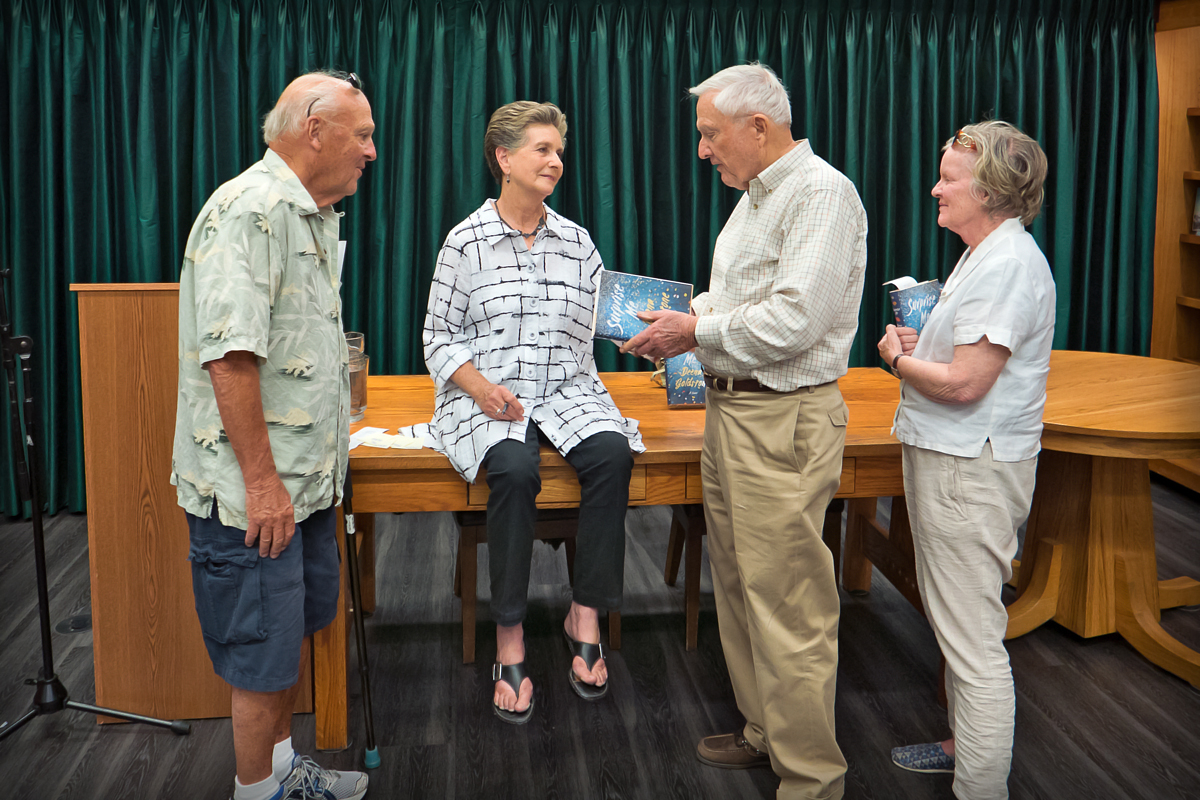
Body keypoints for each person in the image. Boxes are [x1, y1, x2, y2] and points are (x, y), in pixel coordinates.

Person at [621, 63, 867, 800]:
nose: (703, 149)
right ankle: (766, 732)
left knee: (788, 602)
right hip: (734, 411)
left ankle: (812, 780)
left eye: (710, 133)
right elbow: (742, 300)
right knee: (738, 583)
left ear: (759, 127)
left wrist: (693, 329)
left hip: (781, 417)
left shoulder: (821, 193)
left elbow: (796, 319)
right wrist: (680, 321)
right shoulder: (759, 197)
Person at [171, 71, 376, 800]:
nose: (371, 151)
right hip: (256, 494)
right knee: (261, 655)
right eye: (362, 135)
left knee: (286, 641)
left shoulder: (309, 215)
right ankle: (256, 792)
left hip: (303, 484)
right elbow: (230, 358)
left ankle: (286, 775)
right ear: (313, 131)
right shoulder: (249, 211)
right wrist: (262, 484)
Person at [423, 101, 644, 725]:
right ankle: (511, 635)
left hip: (567, 389)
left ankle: (586, 613)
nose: (557, 160)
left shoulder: (578, 243)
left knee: (611, 453)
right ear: (504, 159)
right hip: (488, 393)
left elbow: (609, 324)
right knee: (515, 470)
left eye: (559, 150)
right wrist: (479, 387)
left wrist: (643, 334)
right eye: (543, 149)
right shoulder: (464, 242)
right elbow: (437, 338)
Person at [877, 121, 1054, 800]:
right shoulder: (987, 254)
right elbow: (965, 363)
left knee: (973, 642)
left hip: (968, 472)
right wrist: (926, 348)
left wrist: (897, 359)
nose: (935, 189)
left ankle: (981, 788)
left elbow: (965, 384)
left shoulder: (1007, 264)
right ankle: (961, 746)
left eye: (948, 179)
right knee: (958, 627)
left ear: (988, 189)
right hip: (959, 461)